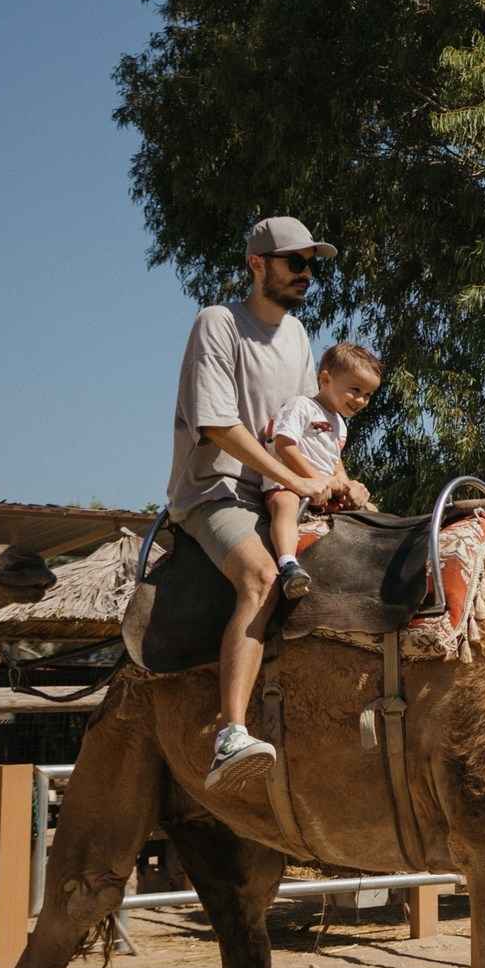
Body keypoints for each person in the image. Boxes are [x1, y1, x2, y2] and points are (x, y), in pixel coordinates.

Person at [166, 216, 358, 791]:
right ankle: (230, 735)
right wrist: (297, 481)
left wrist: (341, 478)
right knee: (262, 577)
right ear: (257, 264)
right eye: (295, 262)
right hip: (216, 491)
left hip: (280, 491)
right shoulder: (218, 323)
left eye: (312, 265)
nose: (308, 274)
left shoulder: (297, 336)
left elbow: (308, 427)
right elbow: (218, 425)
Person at [260, 341, 383, 600]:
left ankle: (380, 564)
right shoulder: (301, 406)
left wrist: (347, 486)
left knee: (372, 511)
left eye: (368, 394)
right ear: (326, 379)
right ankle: (288, 564)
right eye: (355, 390)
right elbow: (284, 445)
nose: (361, 400)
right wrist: (314, 480)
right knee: (285, 504)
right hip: (292, 485)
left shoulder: (340, 424)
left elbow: (335, 462)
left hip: (324, 492)